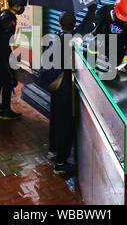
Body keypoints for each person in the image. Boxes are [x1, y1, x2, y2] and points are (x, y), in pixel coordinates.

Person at [0, 0, 27, 120]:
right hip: (1, 54)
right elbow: (5, 41)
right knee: (9, 81)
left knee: (0, 78)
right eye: (22, 6)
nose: (23, 9)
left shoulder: (2, 14)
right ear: (16, 6)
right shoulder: (9, 19)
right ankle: (6, 110)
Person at [48, 12, 76, 175]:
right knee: (65, 124)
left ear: (59, 24)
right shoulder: (72, 42)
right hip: (66, 88)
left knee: (56, 118)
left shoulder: (54, 38)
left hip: (55, 87)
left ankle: (53, 150)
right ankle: (60, 162)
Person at [88, 0, 127, 70]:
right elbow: (92, 24)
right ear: (115, 9)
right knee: (94, 44)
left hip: (117, 48)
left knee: (115, 72)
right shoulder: (104, 11)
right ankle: (89, 68)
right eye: (121, 18)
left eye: (125, 20)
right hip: (101, 42)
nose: (122, 21)